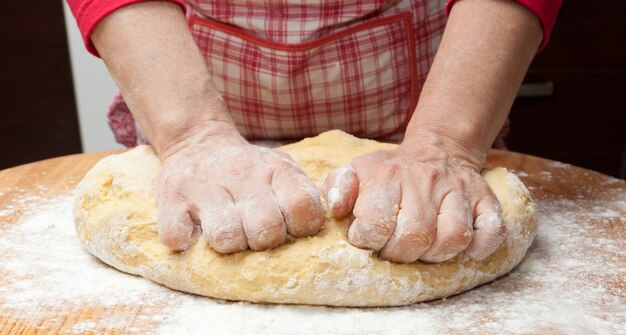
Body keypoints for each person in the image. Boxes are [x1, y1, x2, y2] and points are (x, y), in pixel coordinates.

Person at [67, 0, 560, 263]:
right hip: (181, 84)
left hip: (424, 103)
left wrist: (445, 143)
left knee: (440, 225)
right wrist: (191, 137)